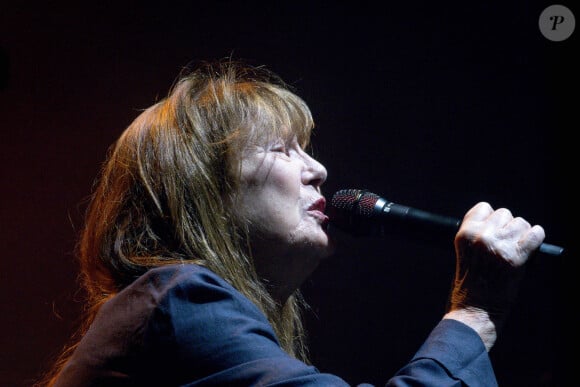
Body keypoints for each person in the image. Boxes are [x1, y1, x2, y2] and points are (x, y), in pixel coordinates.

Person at [35, 59, 546, 386]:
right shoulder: (180, 300)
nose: (318, 170)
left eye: (308, 149)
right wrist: (476, 313)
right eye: (281, 148)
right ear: (204, 189)